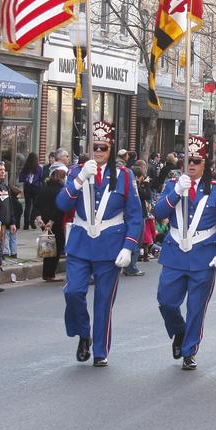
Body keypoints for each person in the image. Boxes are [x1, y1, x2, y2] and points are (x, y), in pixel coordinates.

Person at [57, 121, 143, 368]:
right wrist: (80, 179)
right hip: (81, 241)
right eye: (94, 146)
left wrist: (128, 246)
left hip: (110, 245)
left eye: (103, 147)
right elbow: (62, 204)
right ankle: (84, 333)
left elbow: (135, 215)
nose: (98, 151)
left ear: (111, 148)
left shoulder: (124, 176)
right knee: (73, 292)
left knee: (104, 301)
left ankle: (100, 349)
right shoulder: (77, 171)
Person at [154, 135, 216, 370]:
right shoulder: (172, 185)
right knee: (166, 302)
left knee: (196, 307)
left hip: (203, 255)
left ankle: (189, 350)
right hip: (175, 252)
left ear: (204, 164)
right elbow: (159, 212)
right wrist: (177, 191)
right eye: (187, 160)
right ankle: (179, 332)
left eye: (196, 160)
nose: (191, 164)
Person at [34, 163, 68, 282]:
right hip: (55, 222)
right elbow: (59, 207)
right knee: (57, 247)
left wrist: (39, 218)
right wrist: (52, 221)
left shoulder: (44, 187)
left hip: (44, 222)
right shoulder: (61, 189)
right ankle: (50, 273)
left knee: (47, 247)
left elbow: (37, 204)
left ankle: (47, 273)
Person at [18, 153, 43, 230]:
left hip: (27, 187)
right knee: (34, 206)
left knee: (28, 205)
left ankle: (26, 223)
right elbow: (40, 178)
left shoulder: (26, 167)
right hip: (36, 188)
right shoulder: (39, 168)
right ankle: (32, 222)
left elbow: (21, 178)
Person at [6, 186, 22, 257]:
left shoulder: (8, 202)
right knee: (13, 238)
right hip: (16, 223)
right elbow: (20, 212)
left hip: (7, 222)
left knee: (6, 237)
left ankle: (6, 252)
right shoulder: (18, 204)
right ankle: (14, 252)